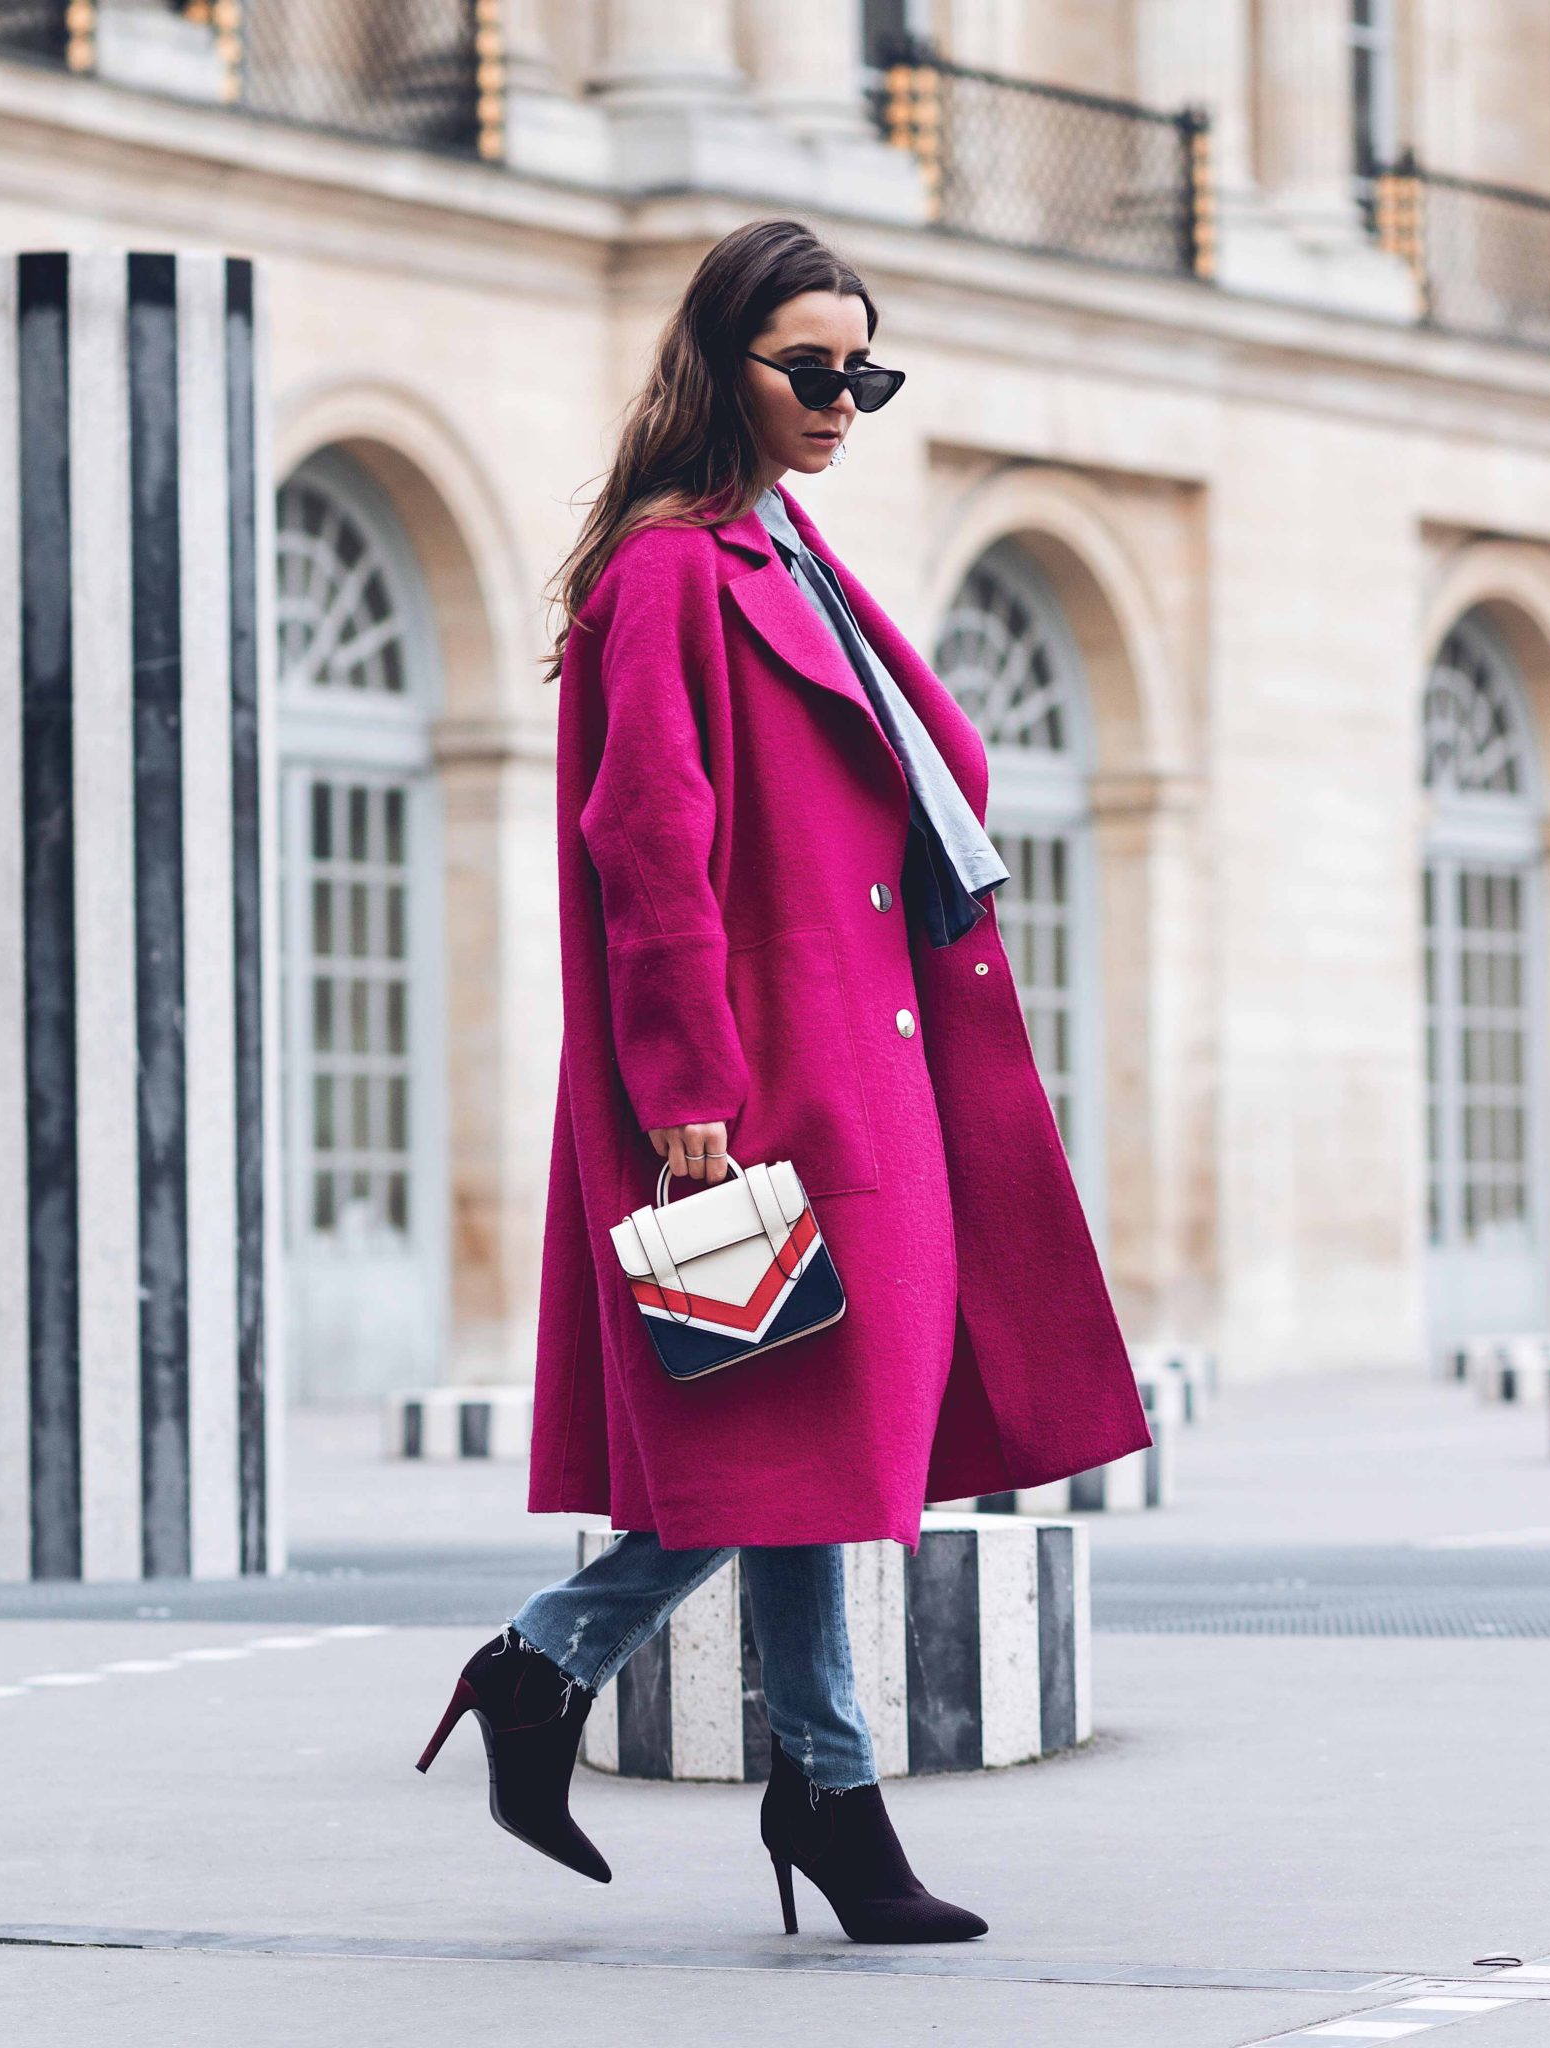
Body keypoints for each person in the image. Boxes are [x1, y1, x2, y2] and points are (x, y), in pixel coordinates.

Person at [416, 218, 1149, 1943]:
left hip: (854, 1059)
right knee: (796, 1434)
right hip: (762, 1083)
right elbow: (650, 840)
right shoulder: (673, 570)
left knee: (796, 1429)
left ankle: (797, 1776)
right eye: (811, 371)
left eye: (864, 375)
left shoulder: (781, 547)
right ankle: (584, 1677)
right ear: (720, 362)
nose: (840, 402)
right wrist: (686, 1092)